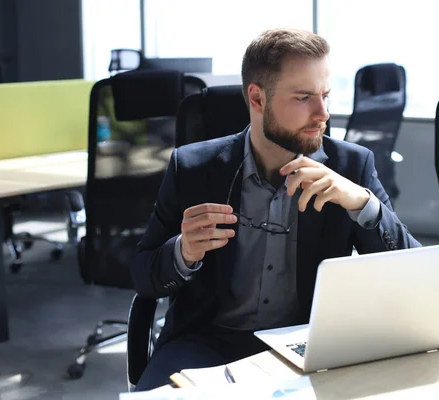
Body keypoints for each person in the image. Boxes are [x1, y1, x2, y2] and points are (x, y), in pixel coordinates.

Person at [132, 28, 421, 391]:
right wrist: (184, 252)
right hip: (205, 343)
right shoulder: (193, 167)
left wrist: (362, 203)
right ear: (257, 98)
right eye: (304, 98)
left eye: (325, 96)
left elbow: (412, 274)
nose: (323, 114)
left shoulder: (351, 167)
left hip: (306, 347)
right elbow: (143, 277)